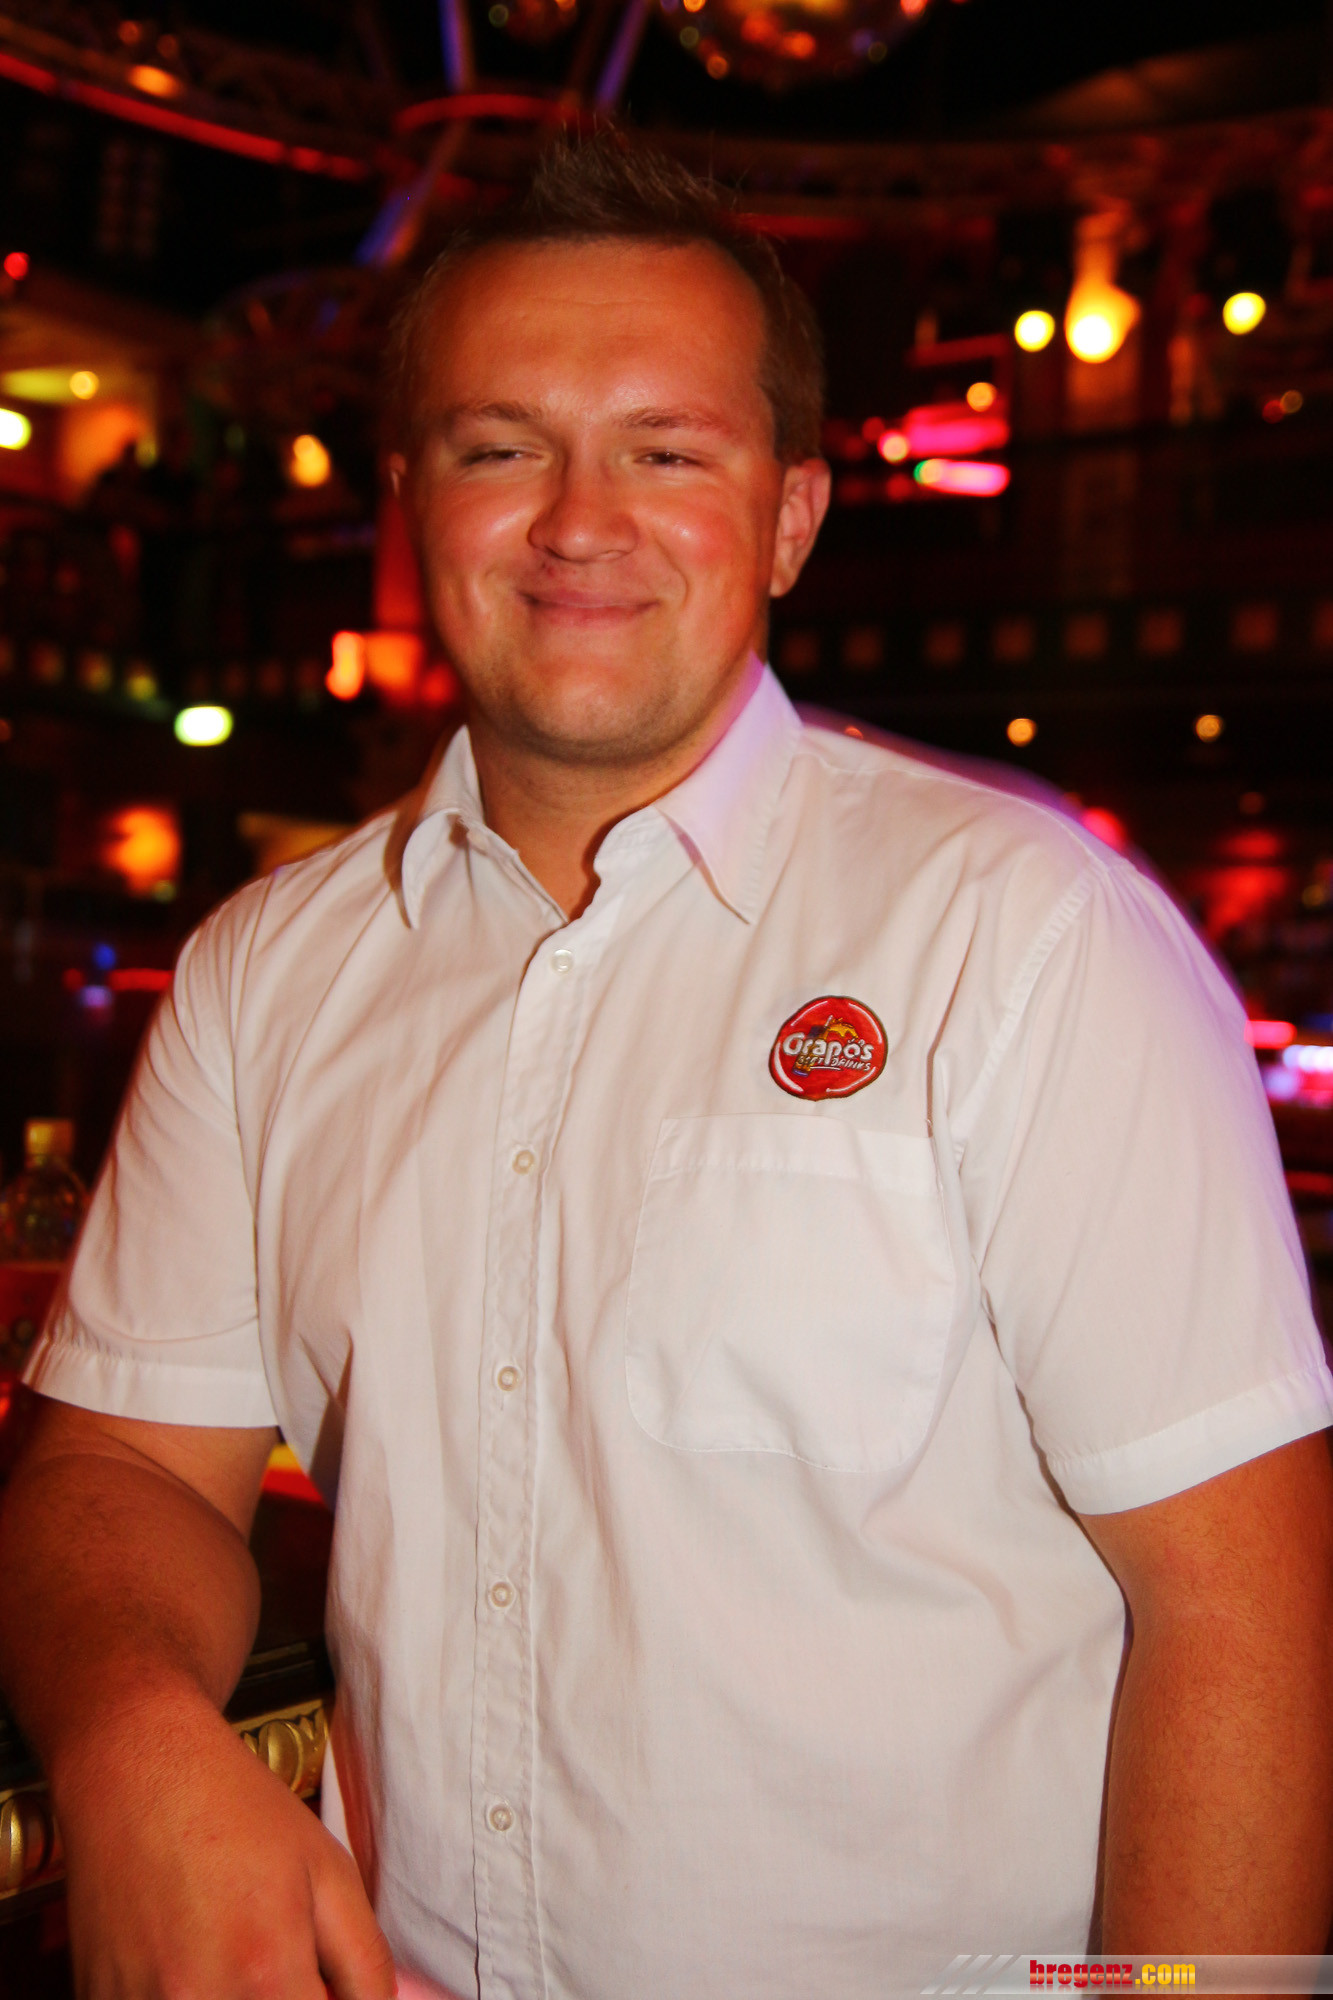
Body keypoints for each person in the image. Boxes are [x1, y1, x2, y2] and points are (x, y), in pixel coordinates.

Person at [2, 138, 1332, 2000]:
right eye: (499, 448)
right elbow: (130, 1463)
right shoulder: (262, 972)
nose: (578, 522)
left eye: (666, 451)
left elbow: (1238, 1608)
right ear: (409, 501)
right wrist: (134, 1731)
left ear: (789, 517)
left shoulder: (1025, 933)